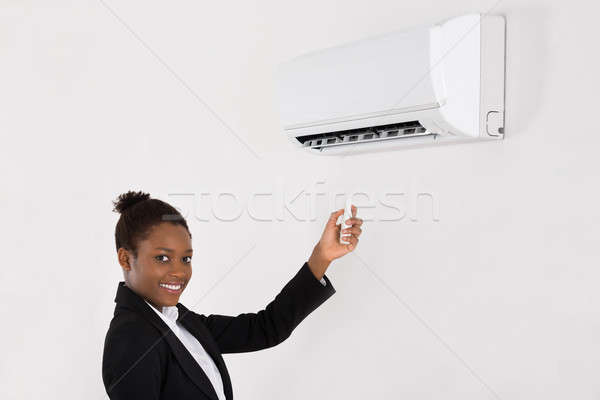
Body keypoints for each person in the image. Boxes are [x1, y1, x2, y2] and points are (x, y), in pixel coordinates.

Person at [102, 190, 363, 400]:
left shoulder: (180, 321)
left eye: (186, 258)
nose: (179, 272)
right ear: (125, 258)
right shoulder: (131, 336)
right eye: (162, 258)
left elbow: (266, 328)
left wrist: (322, 256)